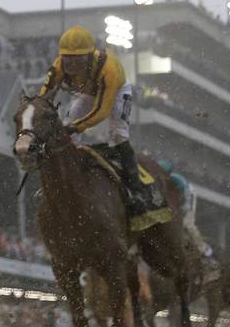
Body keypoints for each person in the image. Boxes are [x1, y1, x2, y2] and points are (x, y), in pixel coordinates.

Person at [37, 26, 148, 215]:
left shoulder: (109, 69)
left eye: (78, 59)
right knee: (64, 130)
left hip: (118, 92)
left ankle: (135, 190)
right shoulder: (58, 65)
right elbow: (44, 97)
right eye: (67, 58)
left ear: (90, 55)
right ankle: (59, 180)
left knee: (118, 134)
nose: (71, 65)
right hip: (87, 92)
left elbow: (102, 111)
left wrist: (77, 127)